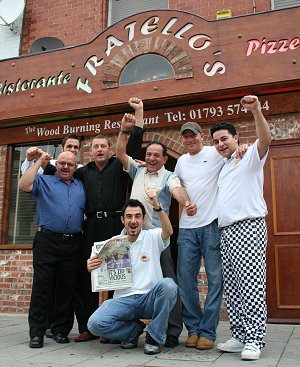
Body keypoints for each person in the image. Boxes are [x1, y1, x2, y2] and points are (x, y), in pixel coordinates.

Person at [43, 97, 145, 342]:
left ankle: (110, 327)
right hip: (89, 227)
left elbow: (134, 143)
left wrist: (138, 115)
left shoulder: (118, 166)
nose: (100, 149)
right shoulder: (81, 172)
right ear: (90, 152)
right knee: (86, 275)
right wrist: (38, 160)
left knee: (116, 275)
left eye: (104, 146)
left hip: (114, 225)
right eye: (96, 147)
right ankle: (88, 327)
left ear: (110, 150)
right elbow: (58, 172)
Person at [116, 114, 197, 348]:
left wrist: (187, 203)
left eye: (156, 155)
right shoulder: (137, 171)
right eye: (148, 154)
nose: (151, 158)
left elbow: (179, 192)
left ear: (163, 160)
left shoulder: (169, 177)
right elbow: (121, 154)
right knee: (129, 284)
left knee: (168, 284)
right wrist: (124, 130)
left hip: (158, 240)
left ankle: (172, 331)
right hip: (132, 239)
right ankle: (131, 330)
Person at [211, 95, 271, 361]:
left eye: (224, 139)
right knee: (234, 287)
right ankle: (239, 335)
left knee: (251, 285)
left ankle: (255, 339)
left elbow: (265, 139)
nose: (220, 144)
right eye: (216, 141)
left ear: (236, 138)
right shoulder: (225, 166)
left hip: (248, 227)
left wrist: (256, 110)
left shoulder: (250, 157)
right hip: (227, 232)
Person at [87, 196, 178, 355]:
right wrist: (91, 266)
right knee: (94, 324)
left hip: (149, 298)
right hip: (123, 300)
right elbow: (98, 270)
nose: (133, 220)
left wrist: (157, 207)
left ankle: (154, 337)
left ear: (143, 219)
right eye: (129, 216)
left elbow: (168, 231)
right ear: (122, 220)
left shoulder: (152, 236)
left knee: (169, 285)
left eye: (137, 216)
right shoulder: (112, 244)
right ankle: (132, 331)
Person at [18, 150, 86, 348]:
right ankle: (37, 333)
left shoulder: (81, 186)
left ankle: (60, 330)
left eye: (70, 164)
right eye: (62, 163)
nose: (65, 167)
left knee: (67, 288)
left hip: (73, 242)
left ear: (76, 168)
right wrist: (39, 161)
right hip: (47, 241)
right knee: (42, 287)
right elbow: (23, 185)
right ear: (56, 165)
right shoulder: (44, 181)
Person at [174, 121, 225, 350]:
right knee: (185, 280)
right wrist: (185, 203)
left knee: (215, 279)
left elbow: (233, 150)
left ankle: (208, 331)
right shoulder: (182, 162)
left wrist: (242, 149)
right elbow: (174, 183)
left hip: (212, 225)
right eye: (185, 137)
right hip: (187, 228)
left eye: (192, 135)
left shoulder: (214, 153)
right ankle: (193, 328)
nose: (189, 140)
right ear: (182, 139)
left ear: (201, 136)